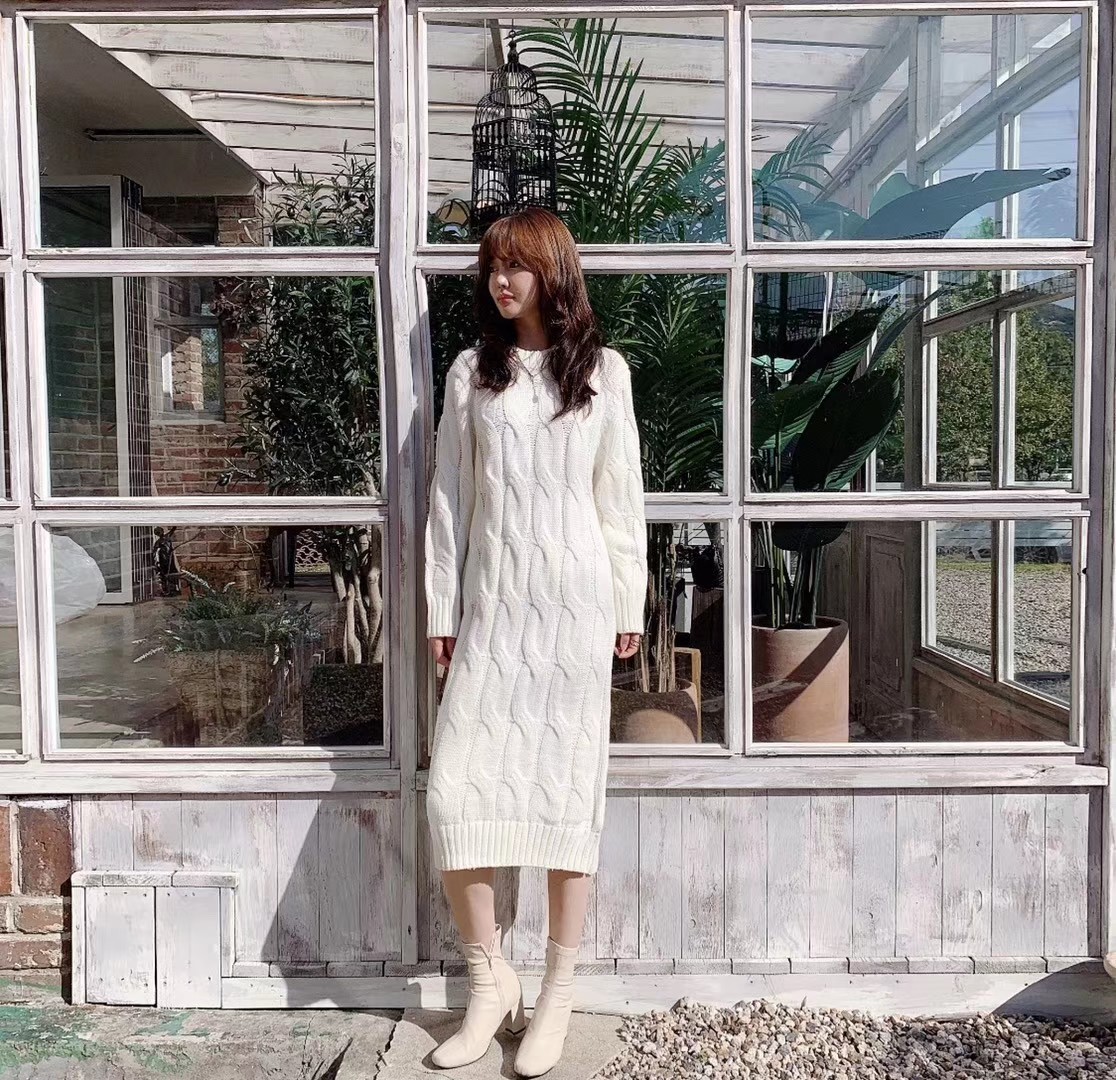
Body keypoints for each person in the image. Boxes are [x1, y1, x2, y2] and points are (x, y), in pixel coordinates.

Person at [423, 207, 648, 1076]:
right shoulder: (470, 374)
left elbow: (619, 499)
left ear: (553, 271)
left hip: (573, 618)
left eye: (516, 266)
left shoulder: (604, 373)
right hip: (494, 614)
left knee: (565, 806)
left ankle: (557, 991)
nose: (500, 281)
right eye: (492, 267)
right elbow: (450, 503)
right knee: (455, 798)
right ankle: (490, 981)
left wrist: (627, 602)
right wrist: (443, 612)